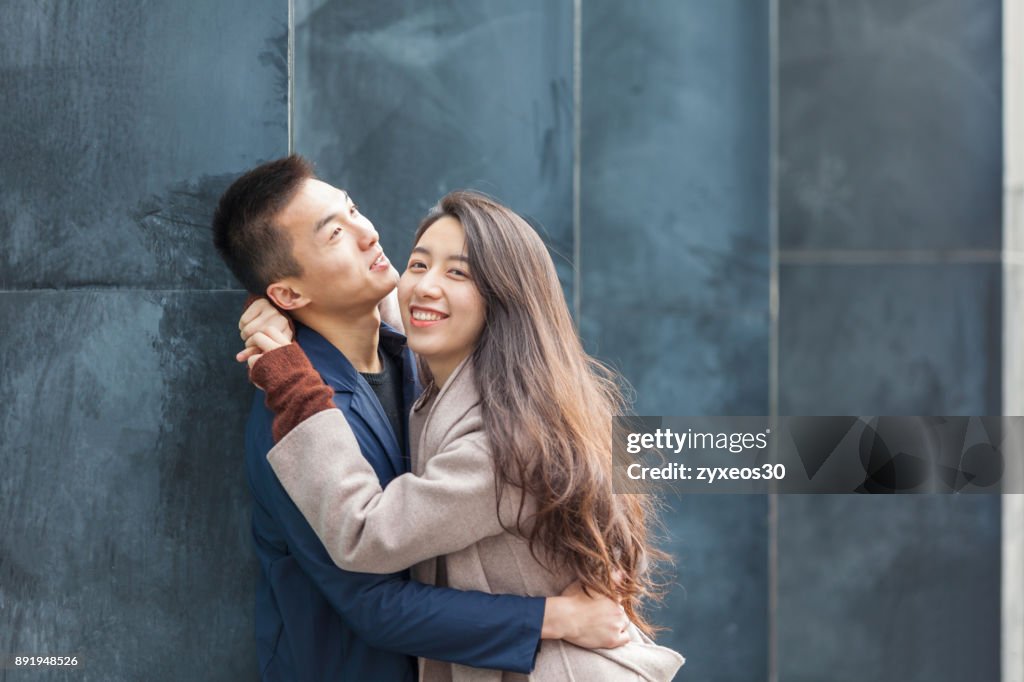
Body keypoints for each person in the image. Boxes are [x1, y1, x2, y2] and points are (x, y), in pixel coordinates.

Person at [212, 156, 635, 682]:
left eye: (354, 209)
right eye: (336, 233)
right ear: (291, 292)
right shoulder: (295, 421)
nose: (368, 233)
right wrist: (555, 617)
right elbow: (373, 602)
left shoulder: (426, 362)